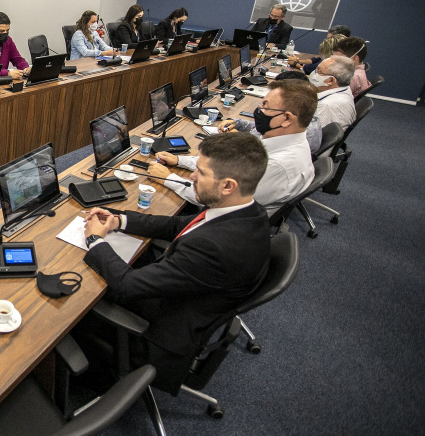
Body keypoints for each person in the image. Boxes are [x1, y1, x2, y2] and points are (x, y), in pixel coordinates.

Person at [82, 133, 270, 391]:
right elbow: (176, 225)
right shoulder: (247, 210)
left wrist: (95, 240)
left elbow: (129, 285)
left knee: (73, 303)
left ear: (228, 185)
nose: (192, 176)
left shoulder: (215, 247)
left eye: (201, 173)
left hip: (157, 333)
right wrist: (118, 220)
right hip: (187, 300)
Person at [152, 79, 316, 215]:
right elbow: (222, 166)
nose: (259, 110)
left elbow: (214, 198)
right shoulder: (284, 140)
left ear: (287, 119)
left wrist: (167, 178)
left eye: (265, 106)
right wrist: (179, 160)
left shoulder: (277, 165)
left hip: (218, 225)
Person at [310, 56, 356, 130]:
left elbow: (312, 135)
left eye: (319, 71)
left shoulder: (326, 105)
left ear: (331, 80)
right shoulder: (345, 88)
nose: (314, 74)